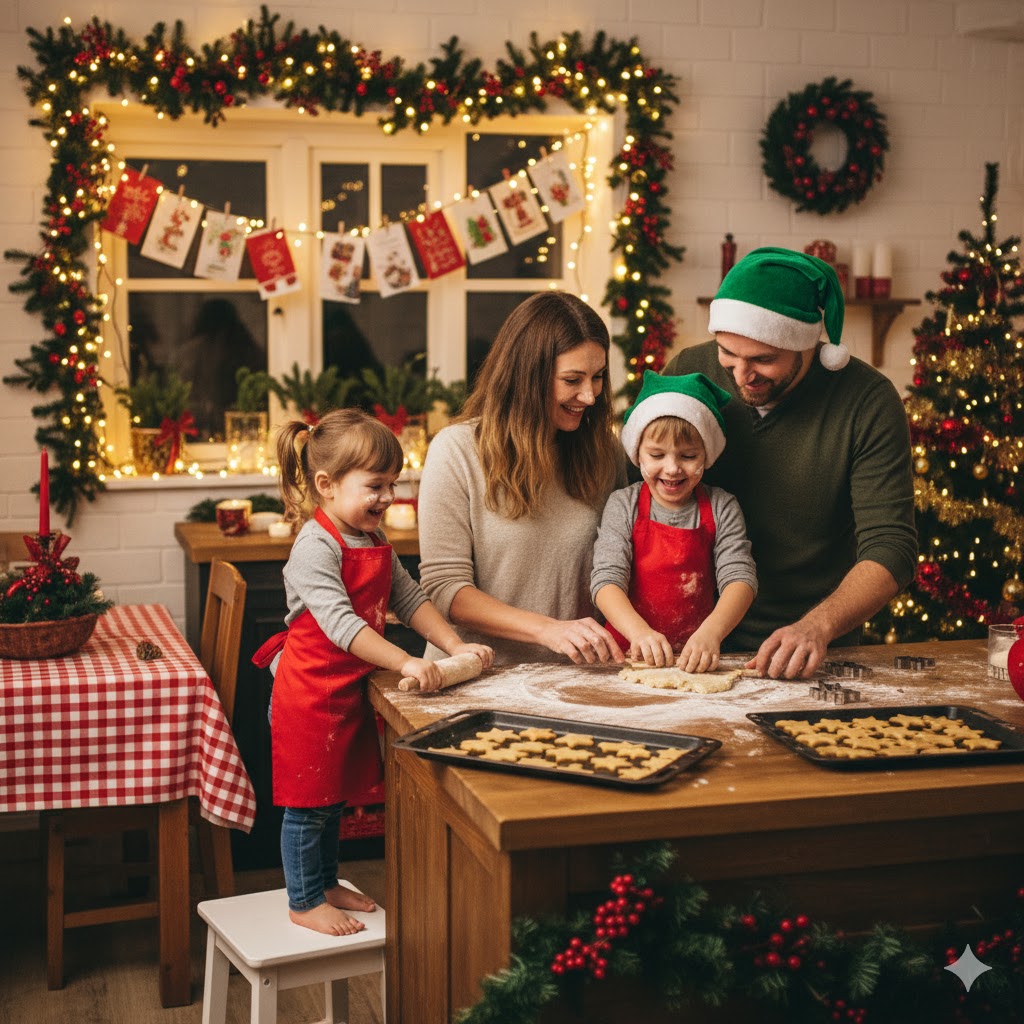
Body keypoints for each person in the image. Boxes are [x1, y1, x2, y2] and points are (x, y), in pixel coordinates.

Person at [252, 408, 493, 935]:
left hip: (345, 689)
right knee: (306, 805)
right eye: (375, 486)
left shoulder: (373, 538)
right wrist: (407, 660)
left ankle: (326, 881)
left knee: (333, 797)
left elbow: (408, 597)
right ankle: (302, 899)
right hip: (307, 694)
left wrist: (455, 644)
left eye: (393, 484)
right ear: (327, 485)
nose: (388, 497)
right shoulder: (314, 546)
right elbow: (341, 625)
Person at [663, 246, 917, 679]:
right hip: (686, 642)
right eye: (728, 353)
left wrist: (817, 627)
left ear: (804, 342)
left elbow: (891, 546)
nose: (741, 374)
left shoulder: (866, 400)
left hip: (805, 652)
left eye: (763, 359)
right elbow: (635, 494)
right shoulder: (692, 371)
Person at [417, 291, 627, 665]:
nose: (590, 396)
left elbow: (622, 564)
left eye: (597, 378)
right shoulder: (457, 451)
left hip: (574, 679)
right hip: (477, 675)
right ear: (528, 376)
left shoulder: (604, 452)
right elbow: (446, 589)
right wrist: (548, 629)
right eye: (572, 379)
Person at [592, 372, 757, 671]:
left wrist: (711, 633)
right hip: (626, 656)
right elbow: (606, 581)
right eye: (656, 454)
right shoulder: (623, 505)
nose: (672, 468)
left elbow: (740, 579)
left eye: (688, 455)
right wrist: (639, 633)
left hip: (696, 658)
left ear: (707, 454)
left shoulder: (722, 507)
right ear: (637, 454)